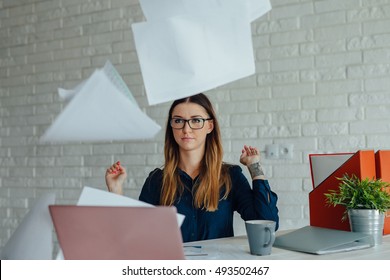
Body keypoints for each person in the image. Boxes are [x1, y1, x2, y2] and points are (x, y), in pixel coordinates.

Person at [105, 93, 279, 242]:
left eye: (196, 120)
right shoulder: (157, 180)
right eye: (179, 120)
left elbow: (267, 223)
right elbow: (135, 236)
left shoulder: (229, 176)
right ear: (172, 127)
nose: (186, 129)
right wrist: (115, 190)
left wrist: (255, 167)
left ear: (210, 126)